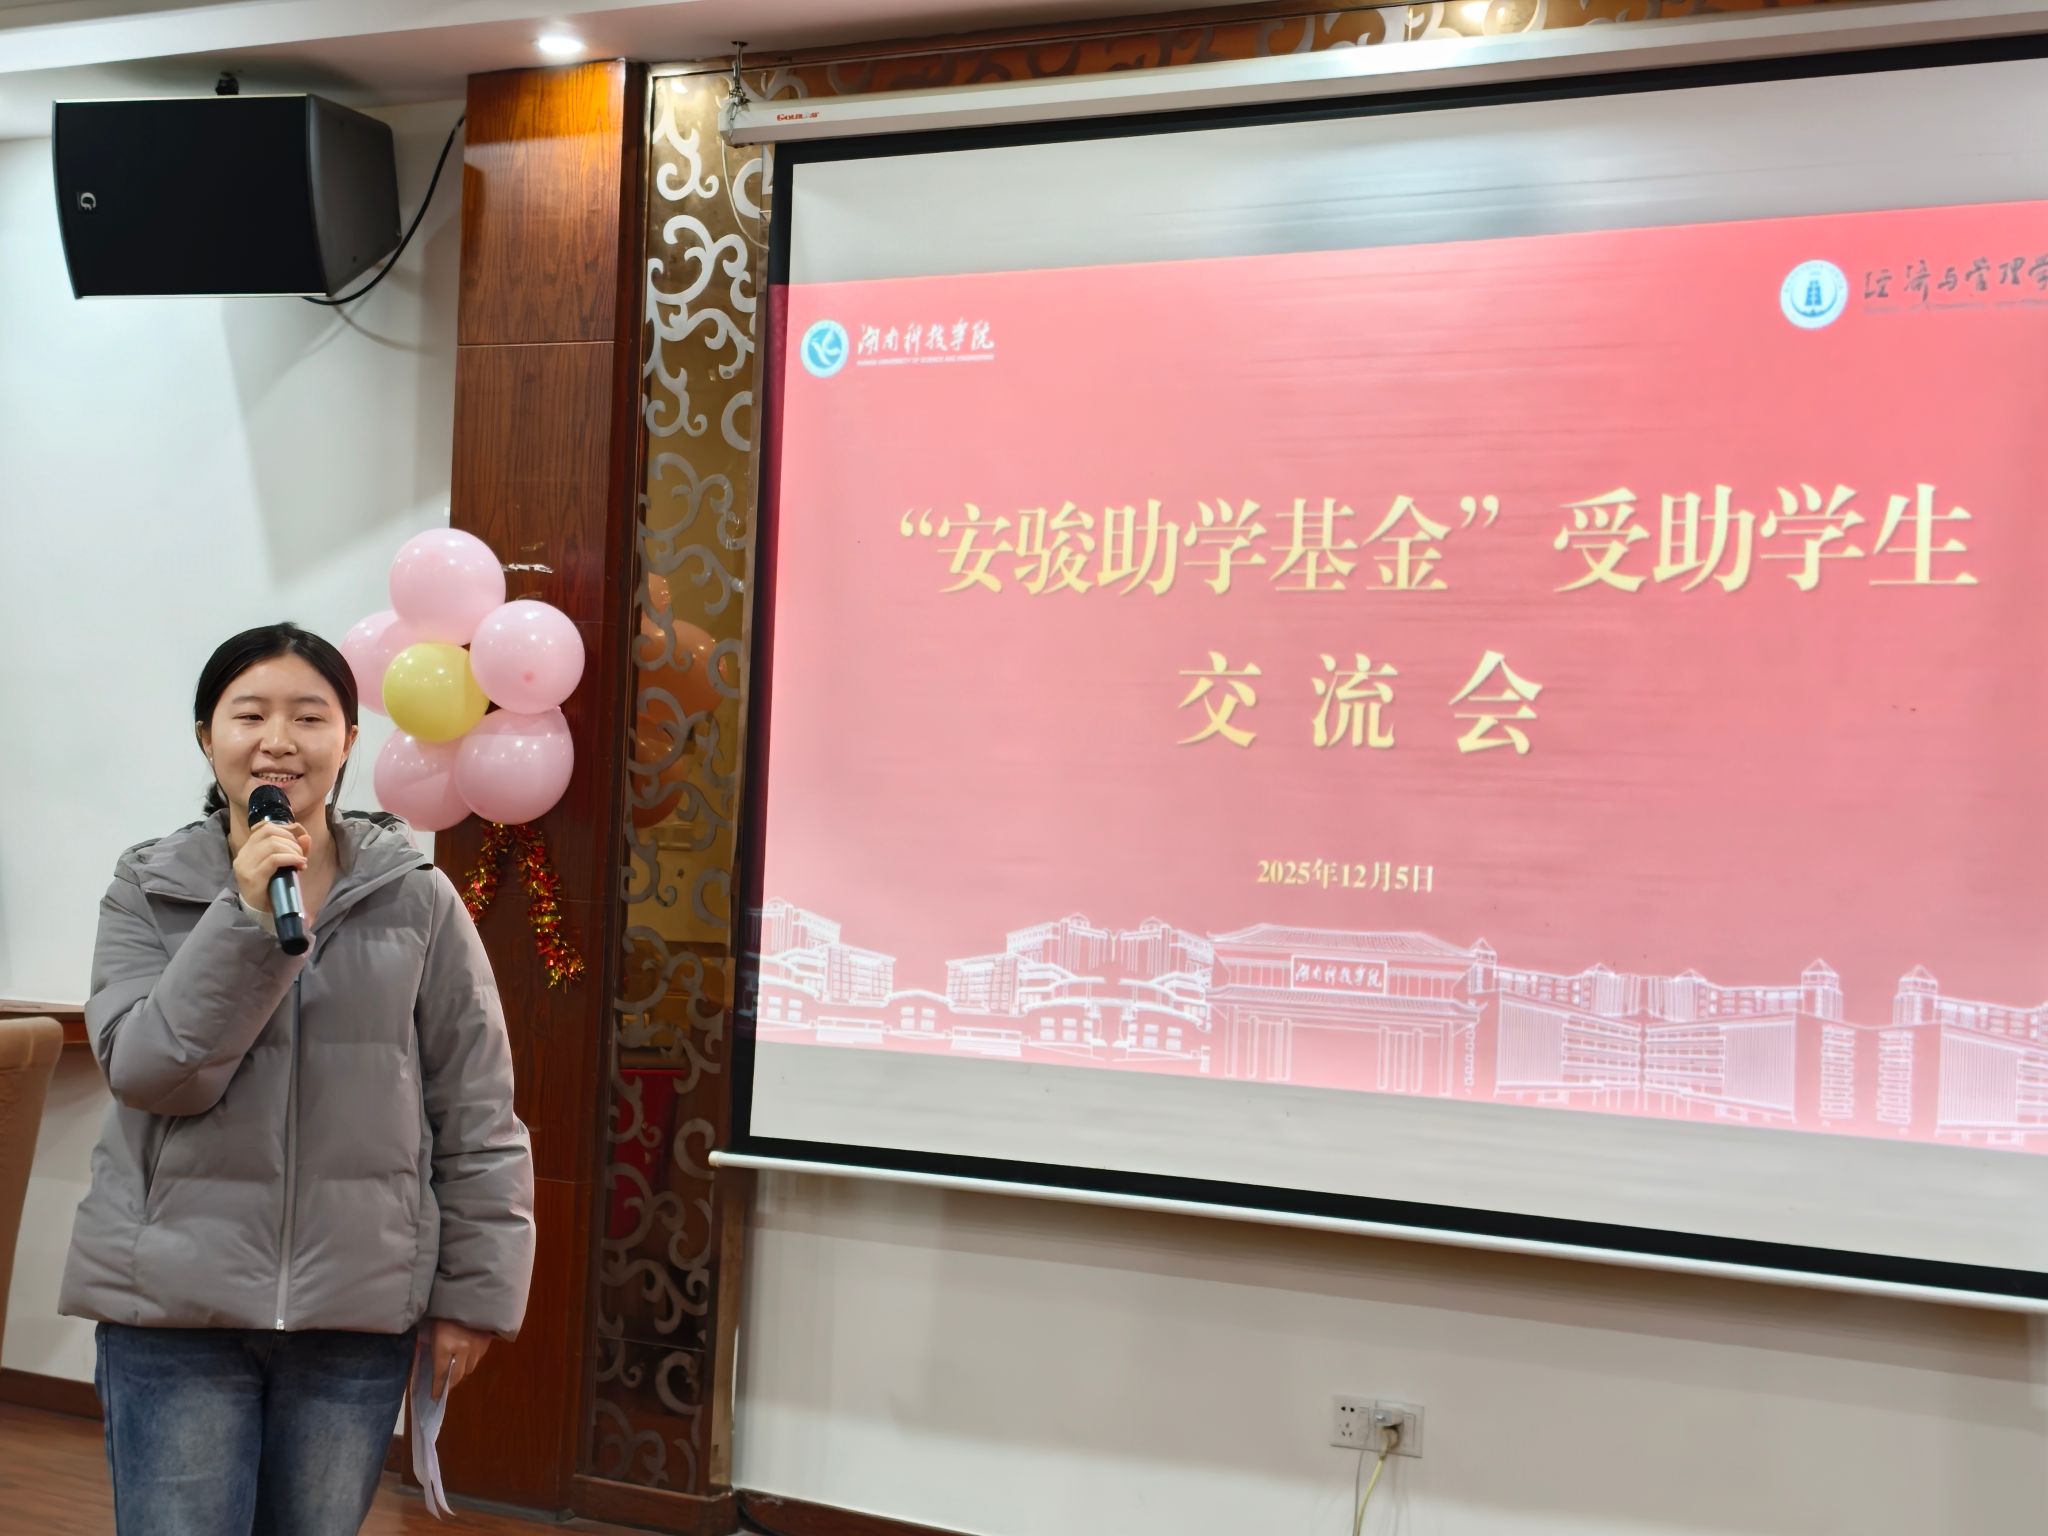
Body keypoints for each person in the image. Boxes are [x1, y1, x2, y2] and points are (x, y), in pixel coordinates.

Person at [60, 621, 536, 1536]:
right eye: (249, 715)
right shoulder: (147, 887)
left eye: (309, 717)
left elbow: (477, 1112)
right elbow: (150, 1072)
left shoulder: (414, 896)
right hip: (172, 1316)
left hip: (353, 1322)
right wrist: (242, 919)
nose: (278, 740)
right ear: (207, 736)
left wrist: (473, 1298)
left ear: (348, 739)